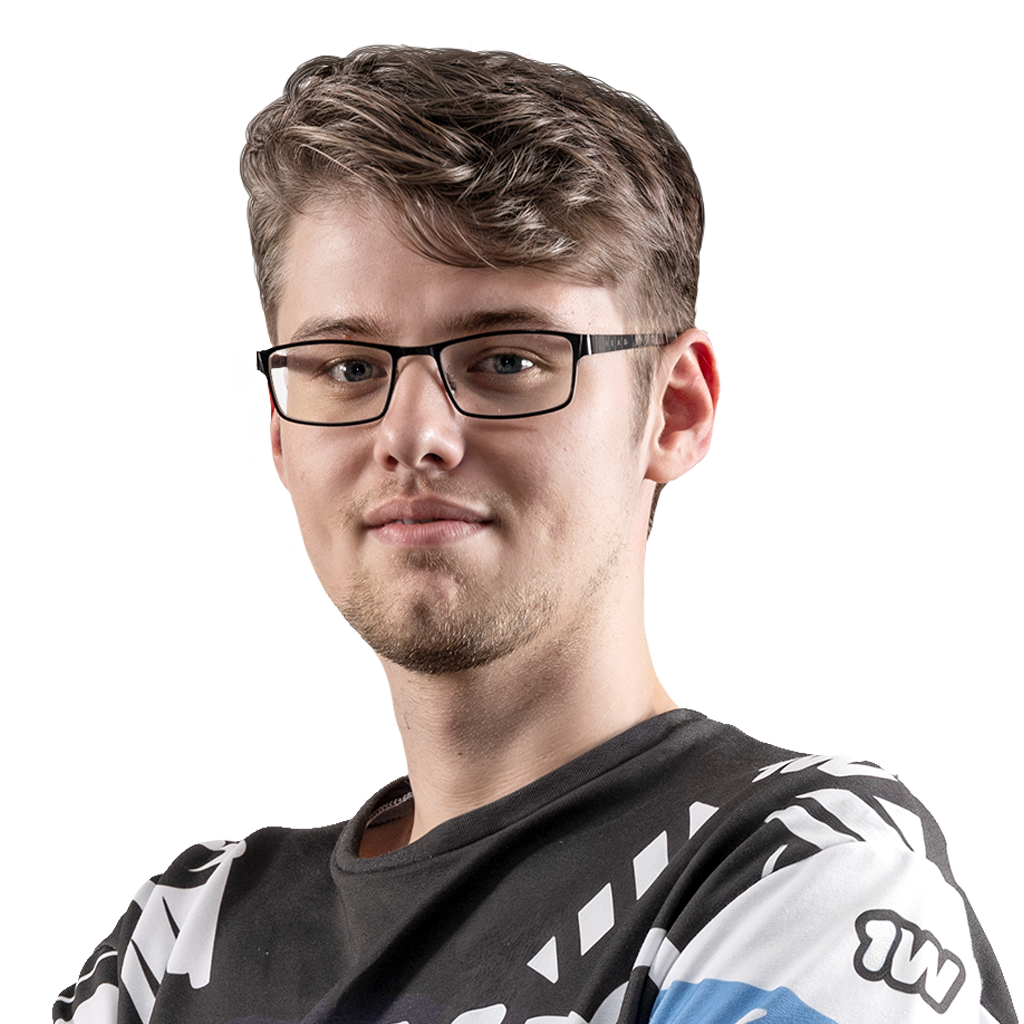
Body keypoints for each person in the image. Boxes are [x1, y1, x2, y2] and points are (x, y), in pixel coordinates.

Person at [54, 44, 1015, 1024]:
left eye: (507, 360)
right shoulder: (188, 930)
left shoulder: (804, 867)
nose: (413, 435)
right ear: (275, 430)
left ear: (672, 411)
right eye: (347, 367)